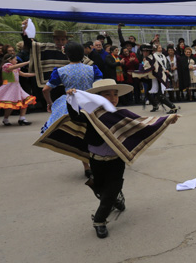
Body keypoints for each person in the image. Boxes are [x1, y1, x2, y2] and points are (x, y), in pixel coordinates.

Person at [62, 79, 178, 238]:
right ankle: (115, 199)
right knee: (101, 188)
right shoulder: (90, 114)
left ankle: (99, 221)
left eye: (115, 94)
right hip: (95, 159)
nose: (113, 97)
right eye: (107, 94)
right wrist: (70, 99)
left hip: (116, 159)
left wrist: (166, 120)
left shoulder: (120, 114)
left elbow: (142, 123)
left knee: (113, 185)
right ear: (97, 97)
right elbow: (74, 116)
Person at [0, 54, 36, 125]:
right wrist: (27, 62)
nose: (16, 61)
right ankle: (6, 119)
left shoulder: (15, 68)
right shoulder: (6, 66)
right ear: (9, 60)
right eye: (15, 59)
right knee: (9, 105)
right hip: (9, 88)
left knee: (25, 101)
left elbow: (24, 74)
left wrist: (35, 74)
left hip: (17, 87)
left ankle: (22, 118)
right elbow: (15, 67)